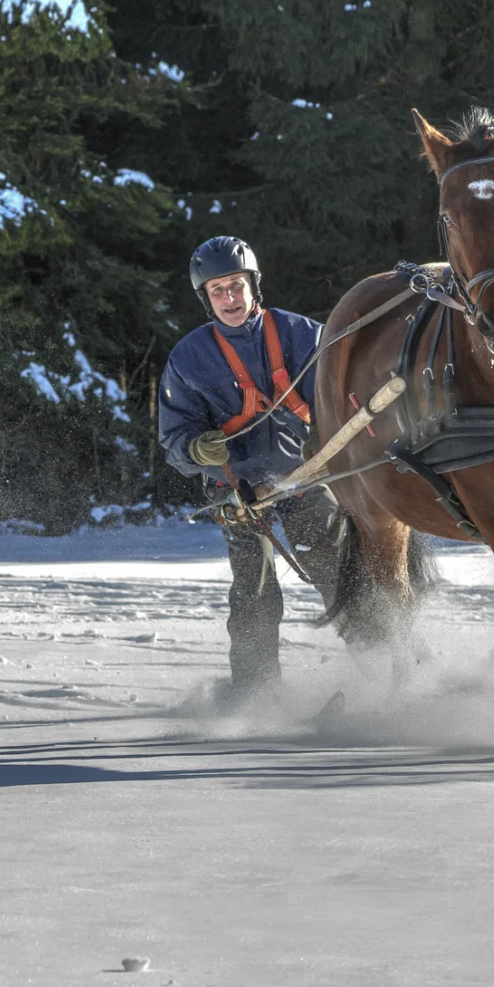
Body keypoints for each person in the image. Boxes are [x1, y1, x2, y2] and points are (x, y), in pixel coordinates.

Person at [158, 236, 344, 697]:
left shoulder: (305, 334)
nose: (230, 298)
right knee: (254, 592)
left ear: (253, 285)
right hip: (235, 492)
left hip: (301, 477)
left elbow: (346, 395)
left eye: (236, 286)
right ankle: (255, 698)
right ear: (205, 298)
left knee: (343, 572)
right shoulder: (187, 357)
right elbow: (173, 438)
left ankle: (387, 673)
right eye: (218, 290)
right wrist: (197, 451)